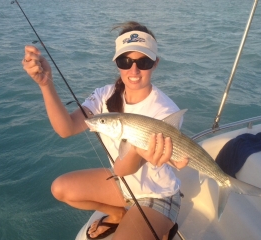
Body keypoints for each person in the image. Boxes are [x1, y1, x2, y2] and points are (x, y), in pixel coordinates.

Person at [22, 21, 188, 240]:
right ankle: (118, 214)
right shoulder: (104, 95)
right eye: (125, 61)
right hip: (124, 185)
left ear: (155, 64)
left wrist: (138, 151)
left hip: (156, 194)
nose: (134, 69)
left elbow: (122, 168)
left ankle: (162, 226)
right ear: (116, 63)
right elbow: (67, 128)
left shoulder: (163, 111)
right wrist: (46, 84)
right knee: (60, 188)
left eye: (144, 62)